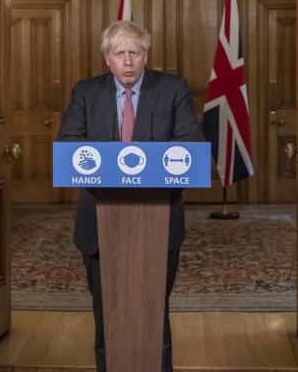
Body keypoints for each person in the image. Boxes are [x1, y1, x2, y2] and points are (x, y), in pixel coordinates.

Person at [56, 20, 199, 372]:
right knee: (108, 318)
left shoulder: (173, 89)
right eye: (119, 53)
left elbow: (189, 147)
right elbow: (69, 144)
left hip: (159, 223)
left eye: (135, 52)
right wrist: (117, 171)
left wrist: (139, 170)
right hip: (100, 227)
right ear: (107, 58)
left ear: (146, 55)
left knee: (154, 318)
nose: (128, 61)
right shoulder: (86, 92)